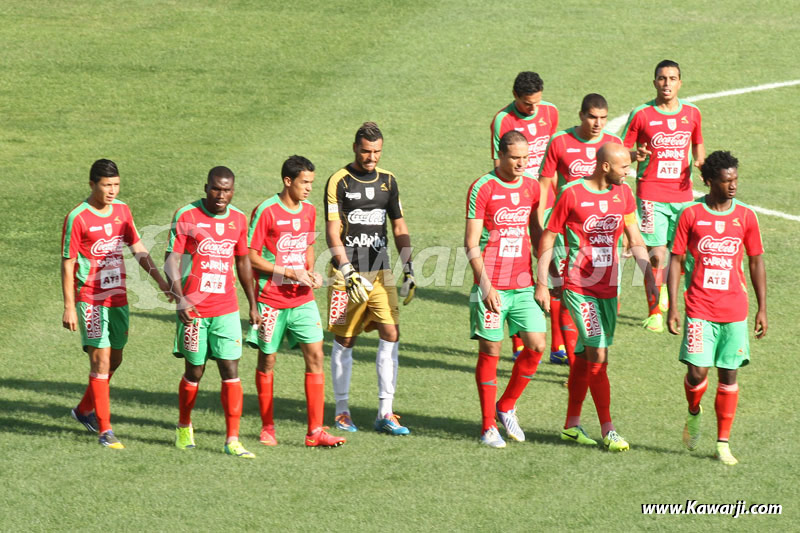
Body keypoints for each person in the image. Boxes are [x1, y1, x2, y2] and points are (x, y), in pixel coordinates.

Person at [535, 143, 657, 452]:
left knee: (588, 356)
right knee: (599, 355)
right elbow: (548, 237)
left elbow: (635, 238)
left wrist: (649, 277)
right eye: (623, 168)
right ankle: (609, 429)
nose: (627, 173)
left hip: (609, 289)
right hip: (579, 287)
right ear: (605, 167)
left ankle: (571, 425)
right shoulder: (573, 194)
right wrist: (541, 283)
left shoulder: (624, 195)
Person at [62, 159, 173, 449]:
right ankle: (105, 430)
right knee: (100, 360)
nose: (112, 190)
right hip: (91, 298)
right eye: (106, 185)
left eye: (116, 185)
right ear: (92, 184)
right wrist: (70, 306)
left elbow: (137, 247)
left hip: (118, 297)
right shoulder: (78, 217)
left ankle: (83, 410)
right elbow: (68, 262)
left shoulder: (122, 211)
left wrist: (161, 282)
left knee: (116, 359)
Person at [667, 151, 766, 466]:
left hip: (734, 309)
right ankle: (693, 412)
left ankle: (723, 443)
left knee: (729, 374)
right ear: (708, 181)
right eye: (727, 181)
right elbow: (677, 261)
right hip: (699, 307)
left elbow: (755, 261)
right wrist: (671, 306)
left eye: (735, 179)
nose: (733, 185)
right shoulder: (691, 214)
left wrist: (762, 307)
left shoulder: (746, 217)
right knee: (696, 374)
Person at [246, 155, 345, 448]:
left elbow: (309, 246)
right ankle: (267, 427)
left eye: (312, 183)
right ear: (288, 181)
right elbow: (251, 256)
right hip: (271, 300)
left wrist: (311, 272)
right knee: (267, 361)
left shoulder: (310, 211)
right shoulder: (265, 211)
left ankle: (315, 431)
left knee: (315, 357)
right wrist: (289, 271)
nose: (309, 188)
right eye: (304, 182)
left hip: (302, 299)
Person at [325, 122, 416, 436]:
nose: (371, 157)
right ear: (355, 147)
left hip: (381, 272)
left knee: (391, 333)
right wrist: (346, 270)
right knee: (344, 340)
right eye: (366, 151)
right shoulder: (339, 181)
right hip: (345, 277)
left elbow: (399, 227)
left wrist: (410, 268)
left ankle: (385, 412)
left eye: (376, 152)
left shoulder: (388, 182)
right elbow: (332, 230)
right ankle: (341, 412)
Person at [165, 166, 259, 459]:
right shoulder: (187, 216)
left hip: (226, 309)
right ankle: (184, 427)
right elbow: (171, 259)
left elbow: (243, 262)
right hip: (194, 311)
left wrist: (253, 303)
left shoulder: (239, 219)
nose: (221, 195)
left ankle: (232, 439)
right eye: (216, 189)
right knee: (194, 371)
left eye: (227, 190)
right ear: (206, 187)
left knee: (231, 372)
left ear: (233, 190)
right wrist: (180, 299)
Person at [465, 130, 547, 448]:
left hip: (523, 282)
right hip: (492, 283)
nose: (521, 164)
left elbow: (538, 234)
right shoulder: (482, 188)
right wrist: (485, 286)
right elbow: (471, 244)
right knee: (491, 352)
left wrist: (543, 280)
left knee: (537, 345)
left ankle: (506, 405)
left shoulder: (531, 187)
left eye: (526, 158)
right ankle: (488, 427)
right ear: (500, 156)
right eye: (515, 158)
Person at [538, 94, 622, 366]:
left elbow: (622, 190)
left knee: (595, 292)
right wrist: (540, 225)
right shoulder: (560, 142)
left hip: (600, 232)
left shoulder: (614, 144)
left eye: (602, 117)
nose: (597, 123)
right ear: (580, 115)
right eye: (592, 117)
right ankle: (565, 352)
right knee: (565, 286)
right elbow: (545, 184)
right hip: (567, 228)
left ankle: (579, 356)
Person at [622, 59, 705, 333]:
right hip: (651, 195)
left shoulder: (692, 113)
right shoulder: (642, 114)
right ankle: (655, 311)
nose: (666, 83)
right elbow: (622, 151)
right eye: (661, 78)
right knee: (657, 255)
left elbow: (697, 144)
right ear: (654, 82)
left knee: (681, 253)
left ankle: (669, 291)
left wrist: (702, 164)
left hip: (683, 196)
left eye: (672, 78)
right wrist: (636, 155)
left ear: (680, 82)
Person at [491, 71, 559, 360]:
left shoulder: (550, 112)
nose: (534, 109)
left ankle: (558, 346)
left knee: (554, 269)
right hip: (517, 203)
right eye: (528, 104)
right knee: (516, 267)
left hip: (546, 199)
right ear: (515, 96)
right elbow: (497, 163)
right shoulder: (502, 120)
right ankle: (518, 341)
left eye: (537, 102)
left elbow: (554, 159)